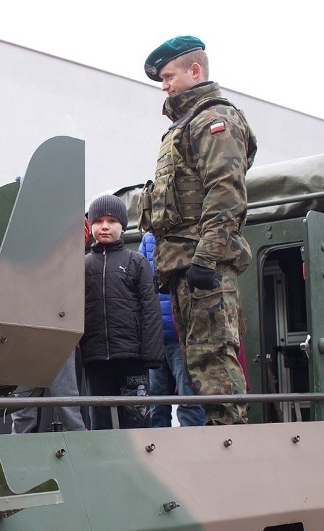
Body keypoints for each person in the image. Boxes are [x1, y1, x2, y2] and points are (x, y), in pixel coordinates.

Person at [139, 36, 257, 425]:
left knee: (213, 363)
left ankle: (233, 453)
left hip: (203, 266)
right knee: (196, 368)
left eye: (169, 75)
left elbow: (225, 191)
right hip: (184, 267)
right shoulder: (183, 126)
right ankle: (217, 452)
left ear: (195, 71)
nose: (164, 85)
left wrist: (206, 258)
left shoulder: (213, 120)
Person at [82, 195, 163, 430]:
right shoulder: (84, 265)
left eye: (112, 221)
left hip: (131, 356)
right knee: (100, 420)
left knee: (136, 419)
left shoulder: (136, 262)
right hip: (95, 355)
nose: (104, 226)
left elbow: (150, 308)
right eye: (98, 221)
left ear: (123, 226)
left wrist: (152, 354)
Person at [12, 218, 90, 433]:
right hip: (29, 334)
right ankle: (18, 450)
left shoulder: (75, 267)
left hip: (60, 337)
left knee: (67, 403)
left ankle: (80, 446)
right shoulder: (32, 260)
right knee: (23, 404)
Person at [138, 231, 205, 427]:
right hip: (156, 339)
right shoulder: (148, 240)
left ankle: (194, 450)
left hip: (183, 337)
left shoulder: (191, 231)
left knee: (189, 401)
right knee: (156, 404)